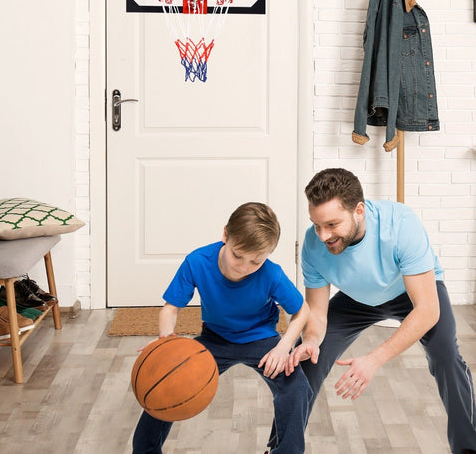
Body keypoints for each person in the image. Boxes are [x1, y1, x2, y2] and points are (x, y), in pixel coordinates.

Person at [286, 168, 476, 454]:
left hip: (410, 292)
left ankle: (467, 447)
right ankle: (282, 448)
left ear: (359, 210)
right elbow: (318, 313)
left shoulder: (399, 224)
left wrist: (374, 359)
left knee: (446, 355)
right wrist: (311, 341)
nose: (323, 234)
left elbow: (426, 310)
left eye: (332, 224)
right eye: (317, 224)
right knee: (307, 360)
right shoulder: (314, 245)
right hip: (356, 300)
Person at [132, 202, 312, 454]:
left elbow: (302, 310)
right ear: (225, 234)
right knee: (165, 384)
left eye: (255, 262)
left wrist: (284, 347)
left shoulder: (271, 274)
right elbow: (170, 308)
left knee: (298, 388)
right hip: (215, 338)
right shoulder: (198, 261)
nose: (244, 266)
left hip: (262, 339)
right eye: (237, 255)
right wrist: (166, 340)